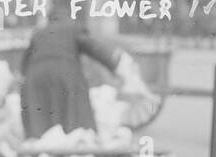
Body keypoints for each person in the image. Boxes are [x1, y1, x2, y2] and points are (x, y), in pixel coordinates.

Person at [19, 7, 144, 138]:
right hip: (65, 73)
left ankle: (41, 148)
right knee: (75, 117)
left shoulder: (39, 33)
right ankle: (77, 146)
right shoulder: (73, 28)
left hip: (35, 77)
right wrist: (115, 64)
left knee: (41, 121)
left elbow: (24, 63)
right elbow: (94, 48)